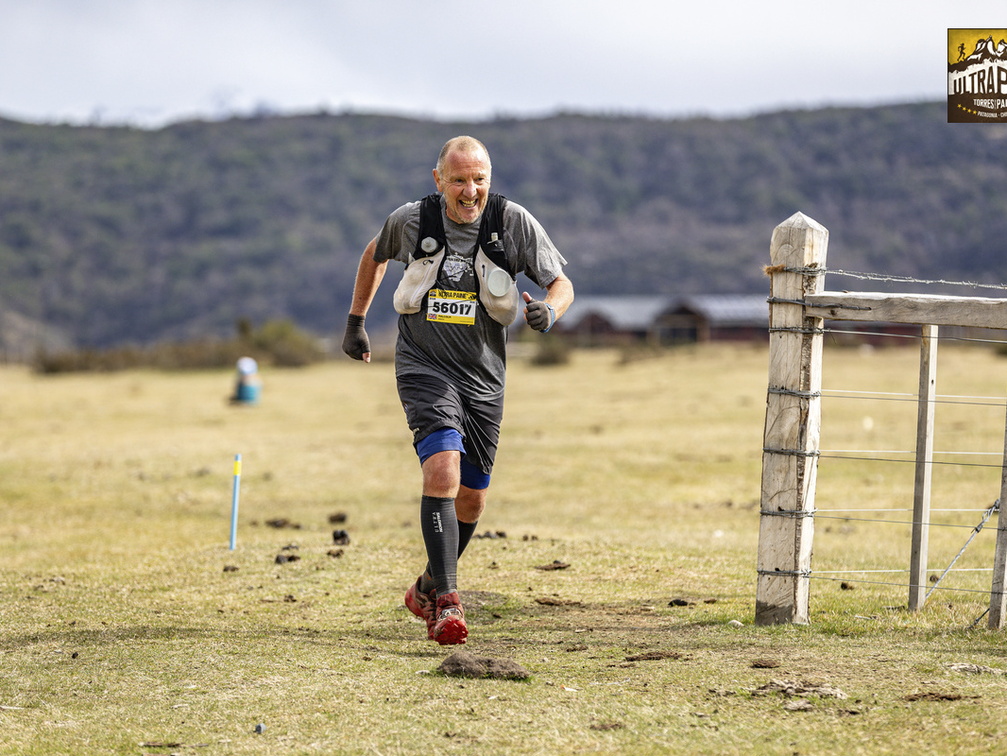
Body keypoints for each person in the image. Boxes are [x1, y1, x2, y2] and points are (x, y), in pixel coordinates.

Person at [341, 136, 574, 645]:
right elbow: (374, 255)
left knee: (471, 500)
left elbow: (562, 283)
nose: (471, 191)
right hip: (423, 365)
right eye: (460, 180)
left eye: (480, 179)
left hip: (484, 377)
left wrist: (549, 311)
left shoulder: (512, 223)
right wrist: (356, 321)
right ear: (438, 180)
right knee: (442, 470)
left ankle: (426, 584)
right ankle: (447, 604)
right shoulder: (412, 219)